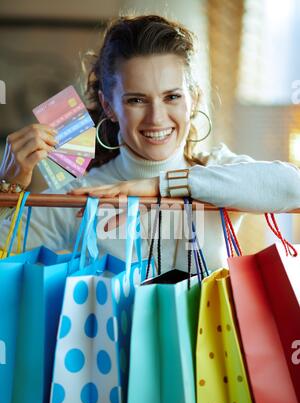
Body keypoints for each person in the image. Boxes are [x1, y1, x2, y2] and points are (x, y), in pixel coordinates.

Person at [1, 14, 300, 272]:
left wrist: (162, 186)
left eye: (172, 97)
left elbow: (293, 187)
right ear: (109, 106)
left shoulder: (217, 173)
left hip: (210, 340)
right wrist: (9, 187)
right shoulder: (81, 196)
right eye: (136, 100)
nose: (156, 118)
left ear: (193, 99)